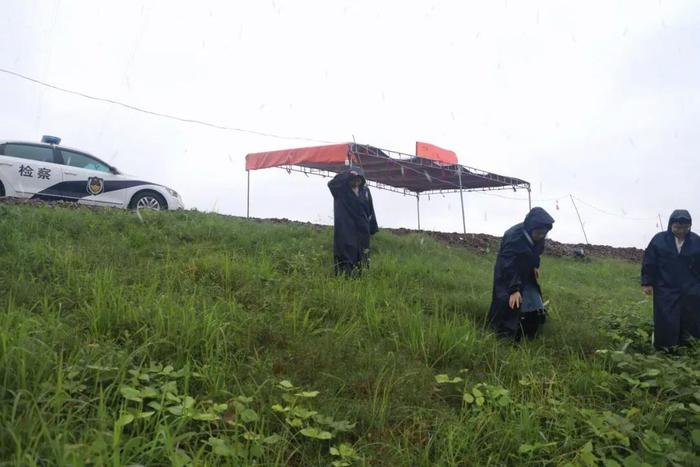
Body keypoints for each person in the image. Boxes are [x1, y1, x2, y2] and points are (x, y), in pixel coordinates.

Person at [488, 207, 555, 340]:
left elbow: (537, 251)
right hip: (508, 272)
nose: (541, 236)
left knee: (532, 300)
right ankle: (504, 335)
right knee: (508, 301)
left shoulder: (539, 234)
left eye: (544, 234)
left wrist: (535, 266)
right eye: (539, 233)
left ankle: (530, 331)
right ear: (531, 228)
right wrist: (514, 289)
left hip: (526, 270)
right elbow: (508, 264)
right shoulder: (513, 237)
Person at [641, 210, 700, 350]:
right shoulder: (659, 240)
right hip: (665, 286)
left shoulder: (696, 241)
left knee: (691, 317)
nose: (681, 231)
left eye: (685, 228)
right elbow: (649, 261)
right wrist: (647, 282)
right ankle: (665, 349)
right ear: (670, 225)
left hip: (690, 287)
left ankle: (688, 348)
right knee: (666, 317)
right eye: (678, 227)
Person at [327, 166, 378, 276]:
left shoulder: (365, 191)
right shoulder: (340, 190)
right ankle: (345, 278)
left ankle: (360, 277)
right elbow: (331, 183)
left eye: (359, 179)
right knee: (346, 252)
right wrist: (347, 174)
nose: (356, 181)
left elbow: (370, 210)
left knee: (362, 254)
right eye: (353, 178)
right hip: (345, 228)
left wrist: (372, 228)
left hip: (362, 229)